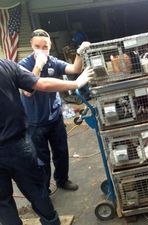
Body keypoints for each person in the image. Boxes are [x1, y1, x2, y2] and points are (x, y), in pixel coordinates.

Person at [0, 58, 93, 225]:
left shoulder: (51, 62)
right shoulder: (6, 65)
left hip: (28, 135)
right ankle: (51, 221)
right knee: (36, 191)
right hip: (16, 143)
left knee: (2, 202)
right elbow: (41, 84)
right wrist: (76, 84)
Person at [18, 29, 91, 192]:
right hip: (34, 121)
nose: (41, 50)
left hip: (55, 117)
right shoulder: (22, 65)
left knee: (61, 151)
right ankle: (44, 188)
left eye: (45, 47)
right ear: (31, 45)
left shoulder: (53, 62)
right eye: (37, 46)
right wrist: (38, 65)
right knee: (40, 158)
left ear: (50, 46)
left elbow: (75, 69)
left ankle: (62, 180)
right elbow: (27, 91)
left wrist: (79, 53)